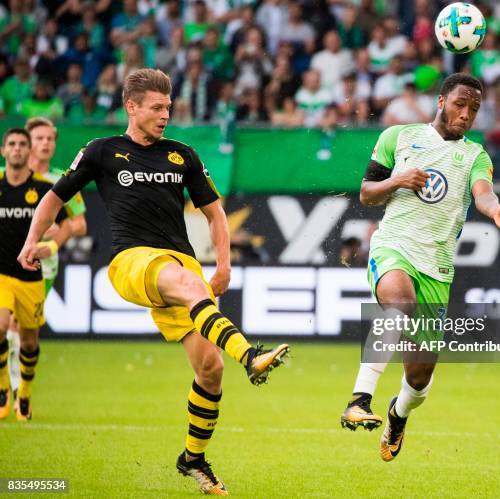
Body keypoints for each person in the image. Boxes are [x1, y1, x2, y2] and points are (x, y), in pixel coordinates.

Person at [18, 68, 289, 494]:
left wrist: (223, 266)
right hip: (132, 261)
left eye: (168, 107)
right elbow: (54, 198)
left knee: (209, 369)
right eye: (157, 107)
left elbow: (216, 214)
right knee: (190, 289)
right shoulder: (102, 151)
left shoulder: (182, 154)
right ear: (132, 107)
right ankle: (250, 355)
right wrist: (32, 241)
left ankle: (193, 458)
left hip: (180, 265)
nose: (166, 115)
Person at [339, 74, 500, 462]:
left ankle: (398, 413)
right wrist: (398, 179)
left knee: (419, 380)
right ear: (441, 101)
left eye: (474, 109)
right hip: (393, 247)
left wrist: (495, 211)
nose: (466, 114)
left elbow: (484, 193)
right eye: (460, 104)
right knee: (399, 304)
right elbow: (366, 193)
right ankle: (359, 398)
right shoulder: (397, 137)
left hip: (437, 270)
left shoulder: (476, 156)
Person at [2, 117, 89, 401]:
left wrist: (57, 230)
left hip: (43, 265)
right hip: (6, 261)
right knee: (7, 323)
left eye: (50, 139)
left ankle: (18, 385)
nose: (45, 144)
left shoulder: (61, 179)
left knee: (23, 329)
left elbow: (81, 225)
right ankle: (12, 385)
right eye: (39, 139)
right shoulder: (7, 177)